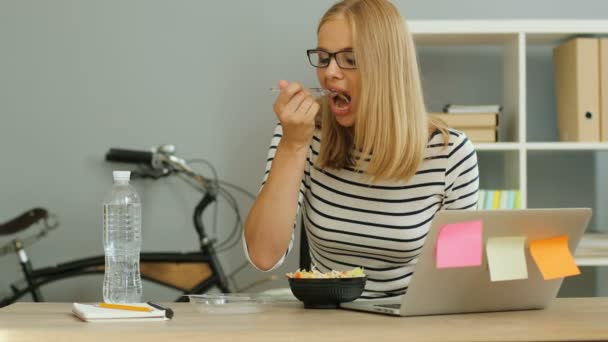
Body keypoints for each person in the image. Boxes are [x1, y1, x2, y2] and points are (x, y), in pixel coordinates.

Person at [244, 0, 479, 299]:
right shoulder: (301, 134)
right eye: (323, 57)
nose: (329, 73)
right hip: (327, 318)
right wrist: (293, 145)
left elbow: (459, 275)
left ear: (390, 68)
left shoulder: (450, 153)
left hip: (410, 323)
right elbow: (263, 256)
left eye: (349, 59)